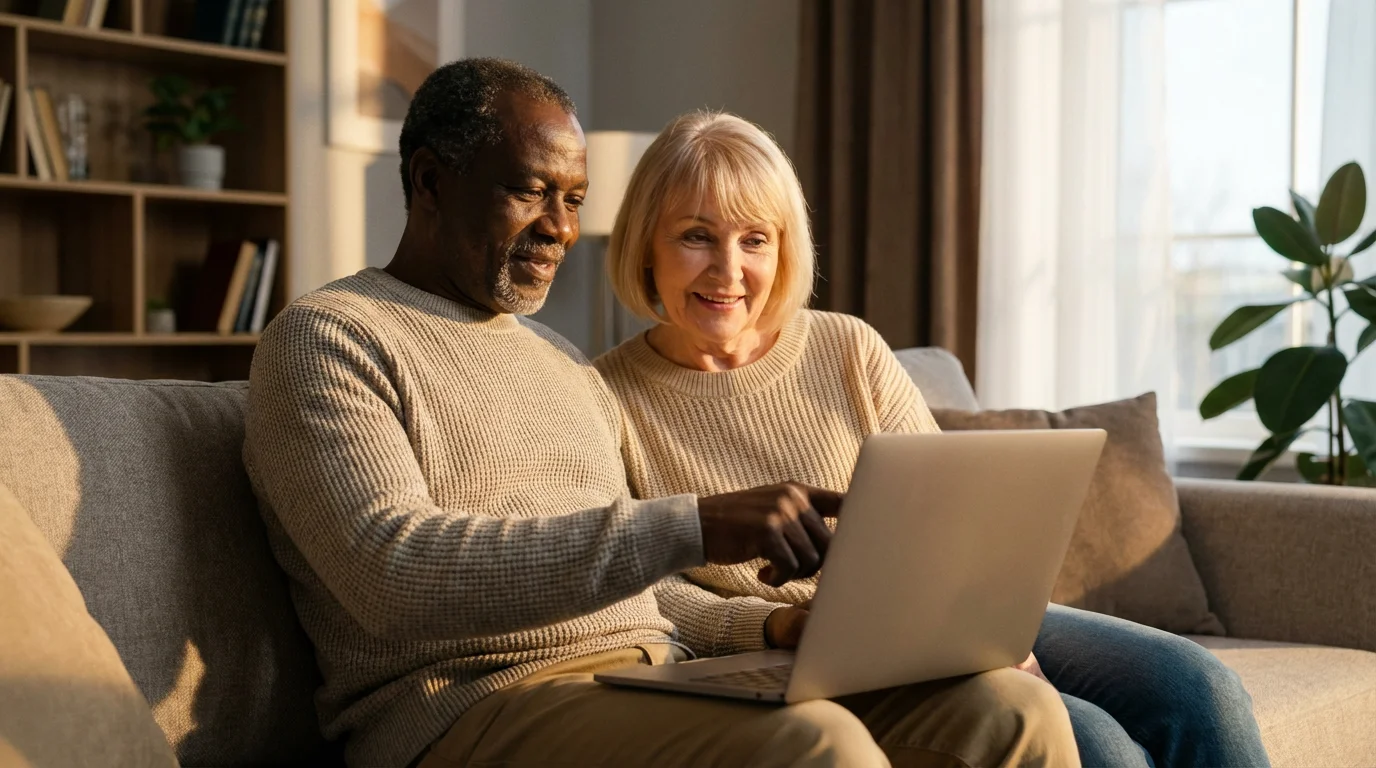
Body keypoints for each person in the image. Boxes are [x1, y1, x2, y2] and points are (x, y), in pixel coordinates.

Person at [243, 59, 1078, 768]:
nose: (562, 229)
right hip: (470, 706)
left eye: (573, 199)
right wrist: (693, 524)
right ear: (429, 181)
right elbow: (395, 576)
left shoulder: (562, 366)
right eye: (533, 192)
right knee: (816, 745)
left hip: (647, 671)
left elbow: (644, 598)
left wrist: (772, 623)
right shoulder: (330, 337)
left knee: (1010, 713)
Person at [592, 109, 1273, 768]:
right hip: (801, 656)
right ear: (645, 243)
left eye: (754, 239)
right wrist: (775, 625)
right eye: (695, 236)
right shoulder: (606, 398)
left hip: (945, 618)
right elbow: (644, 592)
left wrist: (988, 630)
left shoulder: (848, 347)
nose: (729, 270)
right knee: (1097, 742)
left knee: (1198, 686)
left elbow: (954, 513)